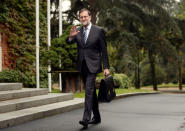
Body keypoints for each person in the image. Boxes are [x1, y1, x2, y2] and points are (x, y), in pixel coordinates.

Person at [66, 8, 110, 129]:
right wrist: (70, 37)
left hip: (94, 65)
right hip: (82, 65)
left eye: (85, 17)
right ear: (79, 18)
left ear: (90, 17)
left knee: (88, 90)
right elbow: (69, 42)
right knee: (91, 92)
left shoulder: (99, 31)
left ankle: (86, 119)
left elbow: (104, 50)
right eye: (81, 17)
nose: (83, 19)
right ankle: (97, 117)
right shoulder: (78, 30)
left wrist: (106, 67)